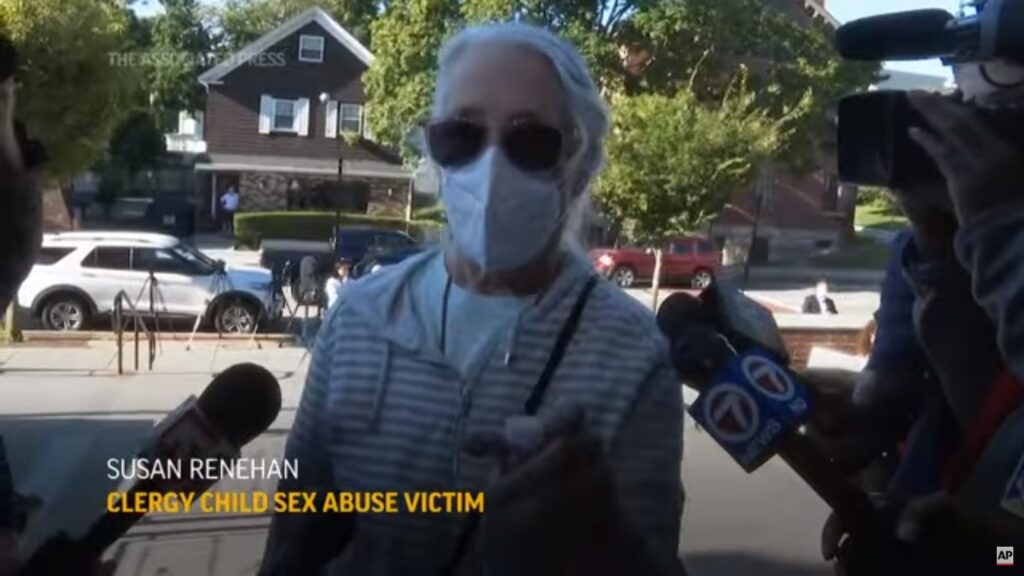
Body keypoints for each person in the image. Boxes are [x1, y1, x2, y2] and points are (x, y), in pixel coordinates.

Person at [261, 23, 685, 575]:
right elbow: (296, 523)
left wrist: (599, 545)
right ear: (434, 154)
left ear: (579, 164)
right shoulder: (359, 317)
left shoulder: (633, 354)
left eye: (531, 140)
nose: (491, 168)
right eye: (461, 135)